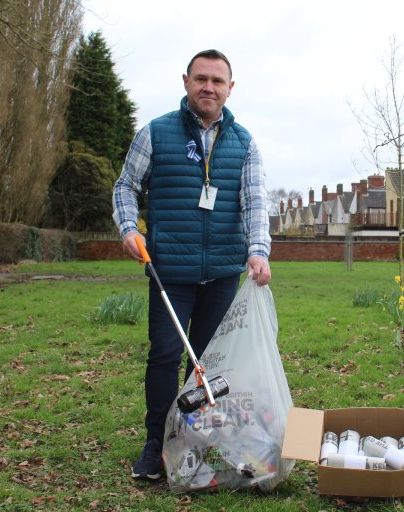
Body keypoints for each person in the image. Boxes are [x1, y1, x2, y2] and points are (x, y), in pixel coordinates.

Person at [112, 49, 272, 480]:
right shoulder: (156, 134)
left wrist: (258, 250)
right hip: (170, 271)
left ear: (230, 88)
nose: (209, 87)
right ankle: (154, 445)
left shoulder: (244, 143)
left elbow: (255, 202)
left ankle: (189, 442)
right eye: (201, 79)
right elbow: (126, 185)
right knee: (165, 355)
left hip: (222, 272)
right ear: (186, 81)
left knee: (207, 363)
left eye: (218, 81)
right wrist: (129, 227)